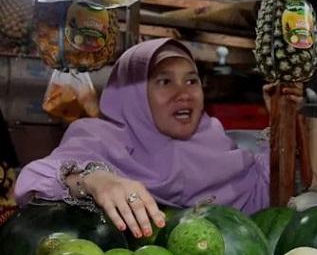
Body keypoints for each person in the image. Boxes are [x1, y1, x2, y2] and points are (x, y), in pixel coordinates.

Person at [15, 38, 300, 239]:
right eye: (164, 81)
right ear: (134, 94)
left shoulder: (216, 144)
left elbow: (273, 188)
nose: (184, 94)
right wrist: (96, 179)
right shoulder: (100, 138)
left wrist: (283, 118)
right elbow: (33, 180)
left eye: (191, 81)